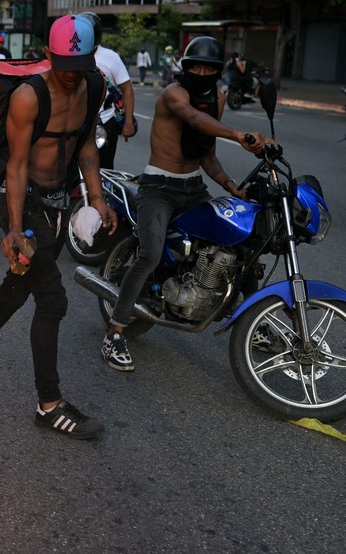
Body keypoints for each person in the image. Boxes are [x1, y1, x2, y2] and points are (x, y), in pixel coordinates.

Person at [0, 14, 114, 440]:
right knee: (53, 300)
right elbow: (17, 165)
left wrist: (96, 198)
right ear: (48, 56)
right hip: (25, 204)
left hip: (59, 204)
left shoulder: (93, 85)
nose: (70, 79)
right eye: (63, 70)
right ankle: (49, 404)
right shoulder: (29, 96)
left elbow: (84, 144)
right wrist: (11, 227)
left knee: (17, 287)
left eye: (78, 70)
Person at [100, 36, 267, 372]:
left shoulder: (217, 98)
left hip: (193, 188)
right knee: (148, 254)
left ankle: (254, 322)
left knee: (241, 243)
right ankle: (116, 331)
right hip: (158, 188)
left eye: (208, 67)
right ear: (185, 67)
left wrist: (233, 187)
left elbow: (206, 153)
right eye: (195, 66)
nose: (201, 72)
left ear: (218, 71)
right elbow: (193, 118)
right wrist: (237, 135)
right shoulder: (173, 93)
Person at [94, 44, 136, 168]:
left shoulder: (111, 57)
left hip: (106, 123)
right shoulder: (73, 53)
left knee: (104, 168)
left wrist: (128, 122)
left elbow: (127, 89)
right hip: (77, 122)